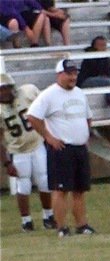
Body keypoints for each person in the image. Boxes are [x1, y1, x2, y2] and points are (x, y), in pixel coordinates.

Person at [26, 58, 93, 236]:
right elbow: (33, 116)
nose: (73, 77)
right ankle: (61, 227)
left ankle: (82, 224)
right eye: (69, 74)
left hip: (79, 147)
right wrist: (49, 137)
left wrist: (87, 133)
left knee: (80, 189)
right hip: (62, 148)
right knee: (60, 189)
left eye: (74, 73)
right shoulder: (49, 95)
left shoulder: (79, 93)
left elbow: (87, 116)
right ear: (59, 74)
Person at [0, 72, 56, 231]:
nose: (4, 93)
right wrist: (6, 162)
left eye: (6, 89)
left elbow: (45, 108)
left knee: (45, 180)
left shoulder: (28, 92)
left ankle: (48, 216)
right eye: (0, 90)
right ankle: (26, 221)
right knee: (23, 185)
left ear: (13, 88)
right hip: (18, 151)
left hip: (38, 144)